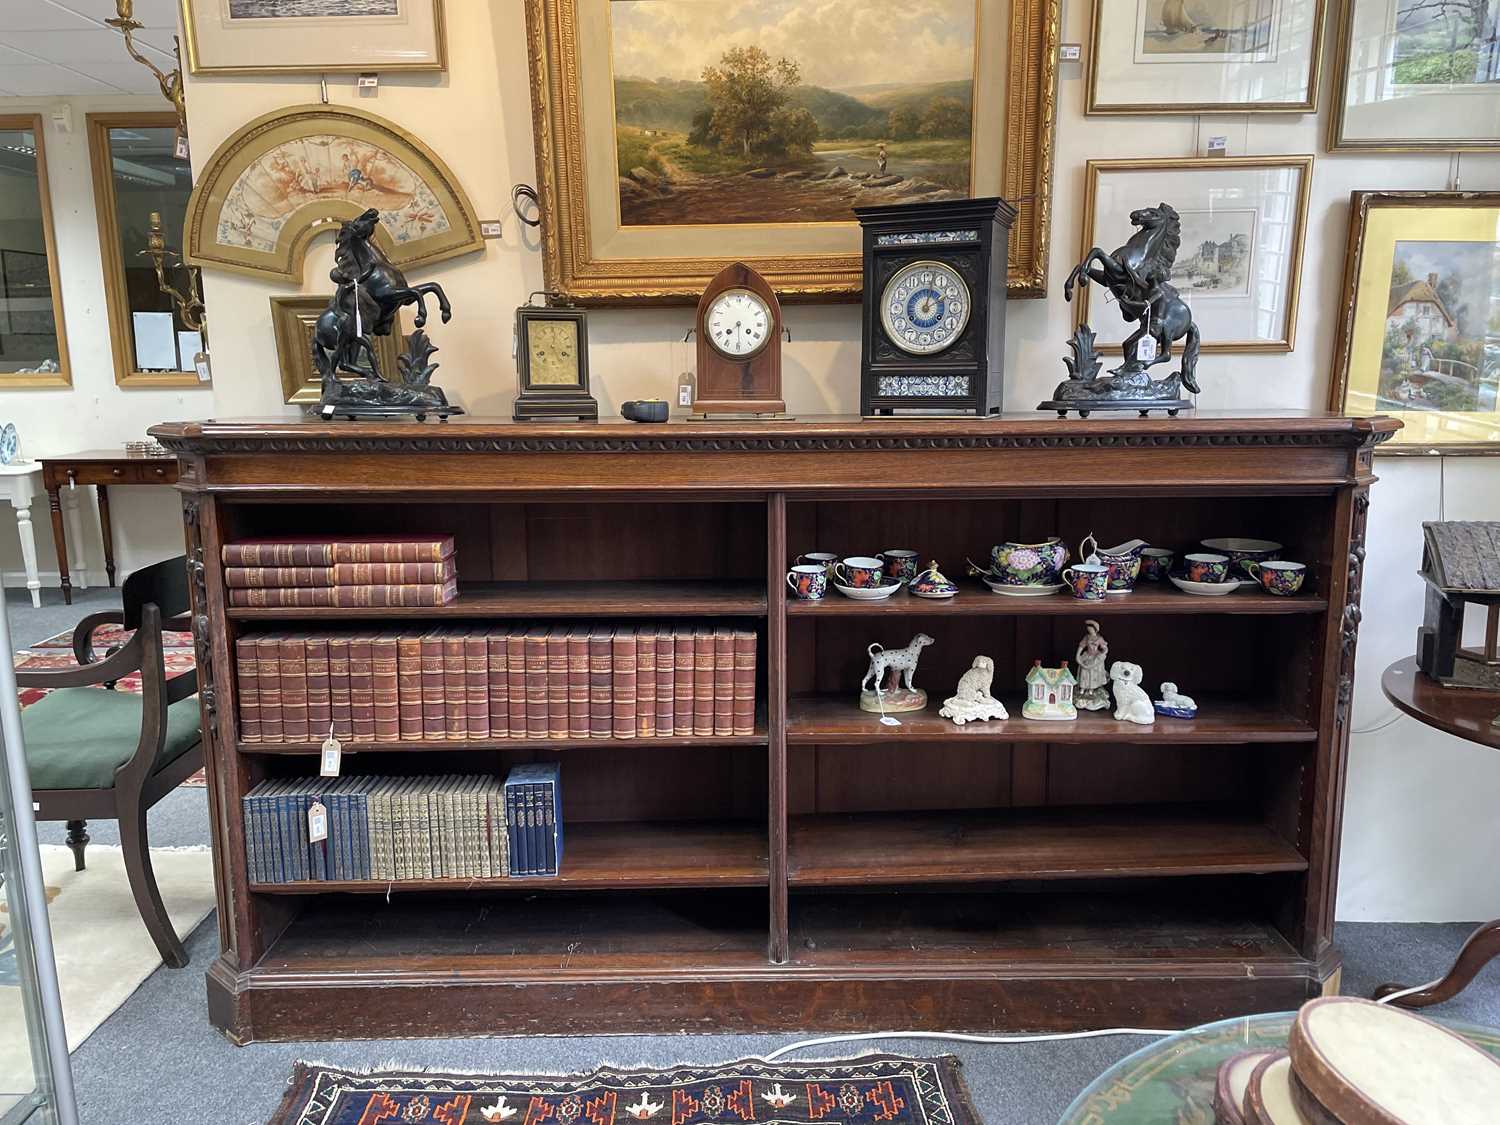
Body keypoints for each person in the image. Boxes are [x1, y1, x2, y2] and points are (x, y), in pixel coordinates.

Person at [1075, 620, 1110, 711]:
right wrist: (1078, 656)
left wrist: (1102, 653)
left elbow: (1105, 649)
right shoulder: (1086, 637)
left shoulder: (1099, 638)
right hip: (1087, 656)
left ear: (1095, 629)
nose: (1089, 630)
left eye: (1091, 629)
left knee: (1093, 674)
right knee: (1084, 672)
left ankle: (1091, 689)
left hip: (1095, 657)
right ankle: (1082, 689)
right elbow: (1081, 647)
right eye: (1088, 629)